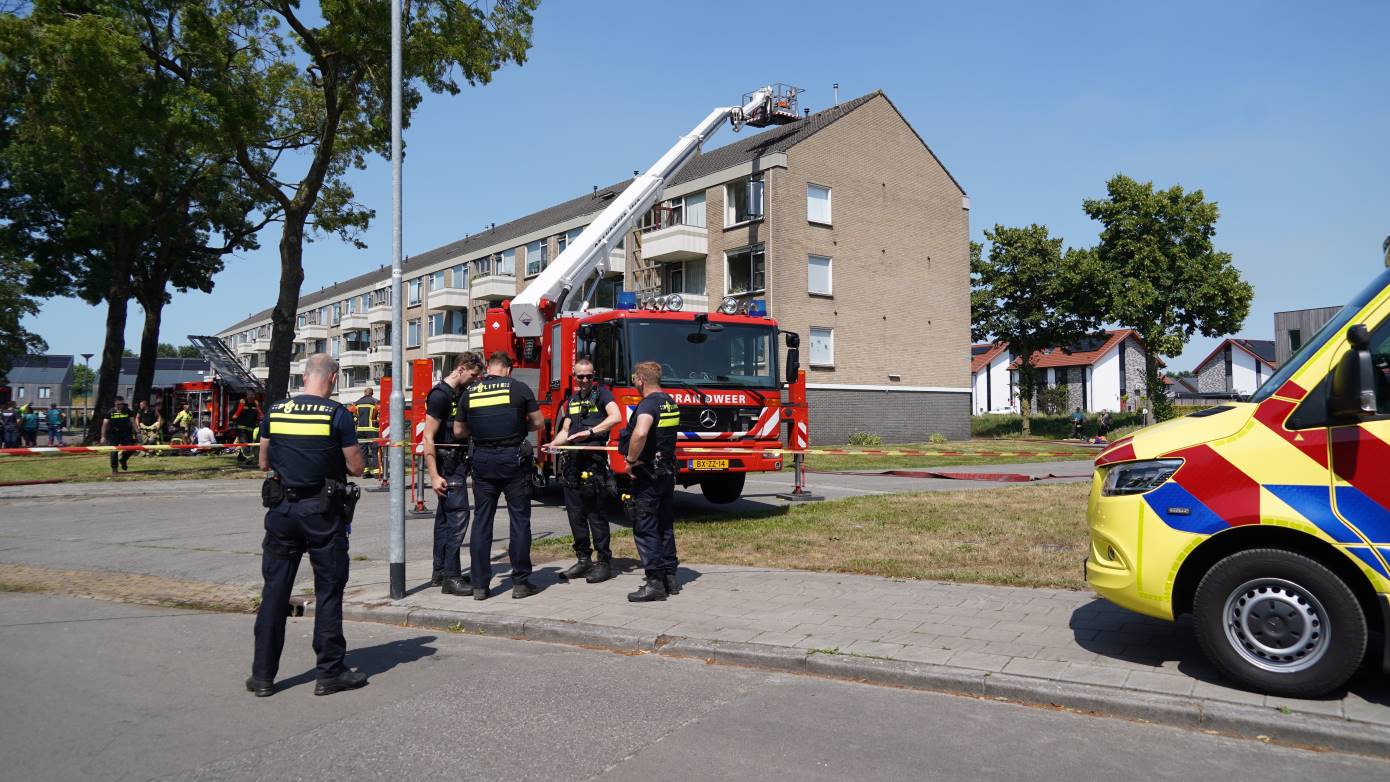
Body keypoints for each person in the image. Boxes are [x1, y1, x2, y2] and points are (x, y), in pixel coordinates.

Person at [247, 353, 367, 698]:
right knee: (328, 589)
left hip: (282, 511)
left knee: (274, 591)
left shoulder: (276, 411)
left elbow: (263, 461)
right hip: (322, 512)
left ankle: (263, 676)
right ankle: (329, 673)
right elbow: (356, 467)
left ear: (303, 378)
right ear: (333, 379)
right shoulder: (337, 414)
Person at [453, 351, 544, 600]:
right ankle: (521, 583)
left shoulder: (471, 392)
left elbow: (459, 430)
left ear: (488, 368)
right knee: (519, 520)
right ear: (508, 369)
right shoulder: (519, 388)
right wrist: (516, 427)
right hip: (513, 459)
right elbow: (538, 422)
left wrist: (481, 429)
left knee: (482, 521)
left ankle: (481, 585)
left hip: (482, 460)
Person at [546, 358, 622, 584]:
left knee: (595, 515)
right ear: (574, 377)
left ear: (594, 375)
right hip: (572, 465)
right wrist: (553, 444)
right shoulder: (571, 401)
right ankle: (583, 559)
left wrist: (589, 433)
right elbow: (566, 430)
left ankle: (604, 563)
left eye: (589, 376)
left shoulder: (603, 395)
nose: (586, 380)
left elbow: (616, 417)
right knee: (575, 515)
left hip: (594, 464)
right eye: (581, 376)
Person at [619, 360, 682, 602]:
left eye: (635, 379)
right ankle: (670, 578)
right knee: (665, 524)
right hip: (666, 472)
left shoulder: (648, 405)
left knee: (645, 527)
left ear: (640, 380)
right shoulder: (670, 402)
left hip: (647, 476)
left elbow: (642, 432)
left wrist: (631, 459)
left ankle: (654, 582)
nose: (634, 382)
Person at [422, 354, 482, 594]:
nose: (475, 380)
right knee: (458, 517)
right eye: (473, 375)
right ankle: (452, 578)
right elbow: (428, 436)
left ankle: (440, 572)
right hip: (447, 467)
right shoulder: (440, 395)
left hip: (456, 464)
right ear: (460, 369)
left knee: (445, 520)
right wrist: (434, 475)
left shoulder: (458, 393)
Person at [102, 396, 136, 474]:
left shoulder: (127, 411)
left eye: (122, 404)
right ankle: (114, 469)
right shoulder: (110, 412)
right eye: (118, 404)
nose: (120, 406)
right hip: (114, 434)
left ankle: (123, 459)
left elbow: (133, 422)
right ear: (115, 404)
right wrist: (103, 436)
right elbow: (104, 424)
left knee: (131, 448)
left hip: (126, 433)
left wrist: (138, 433)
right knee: (114, 451)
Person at [352, 388, 380, 478]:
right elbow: (380, 413)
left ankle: (365, 472)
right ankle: (377, 472)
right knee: (375, 451)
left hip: (360, 430)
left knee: (363, 451)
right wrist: (377, 421)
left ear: (364, 393)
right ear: (372, 394)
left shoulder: (357, 402)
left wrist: (356, 421)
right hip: (372, 430)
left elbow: (350, 412)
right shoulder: (375, 402)